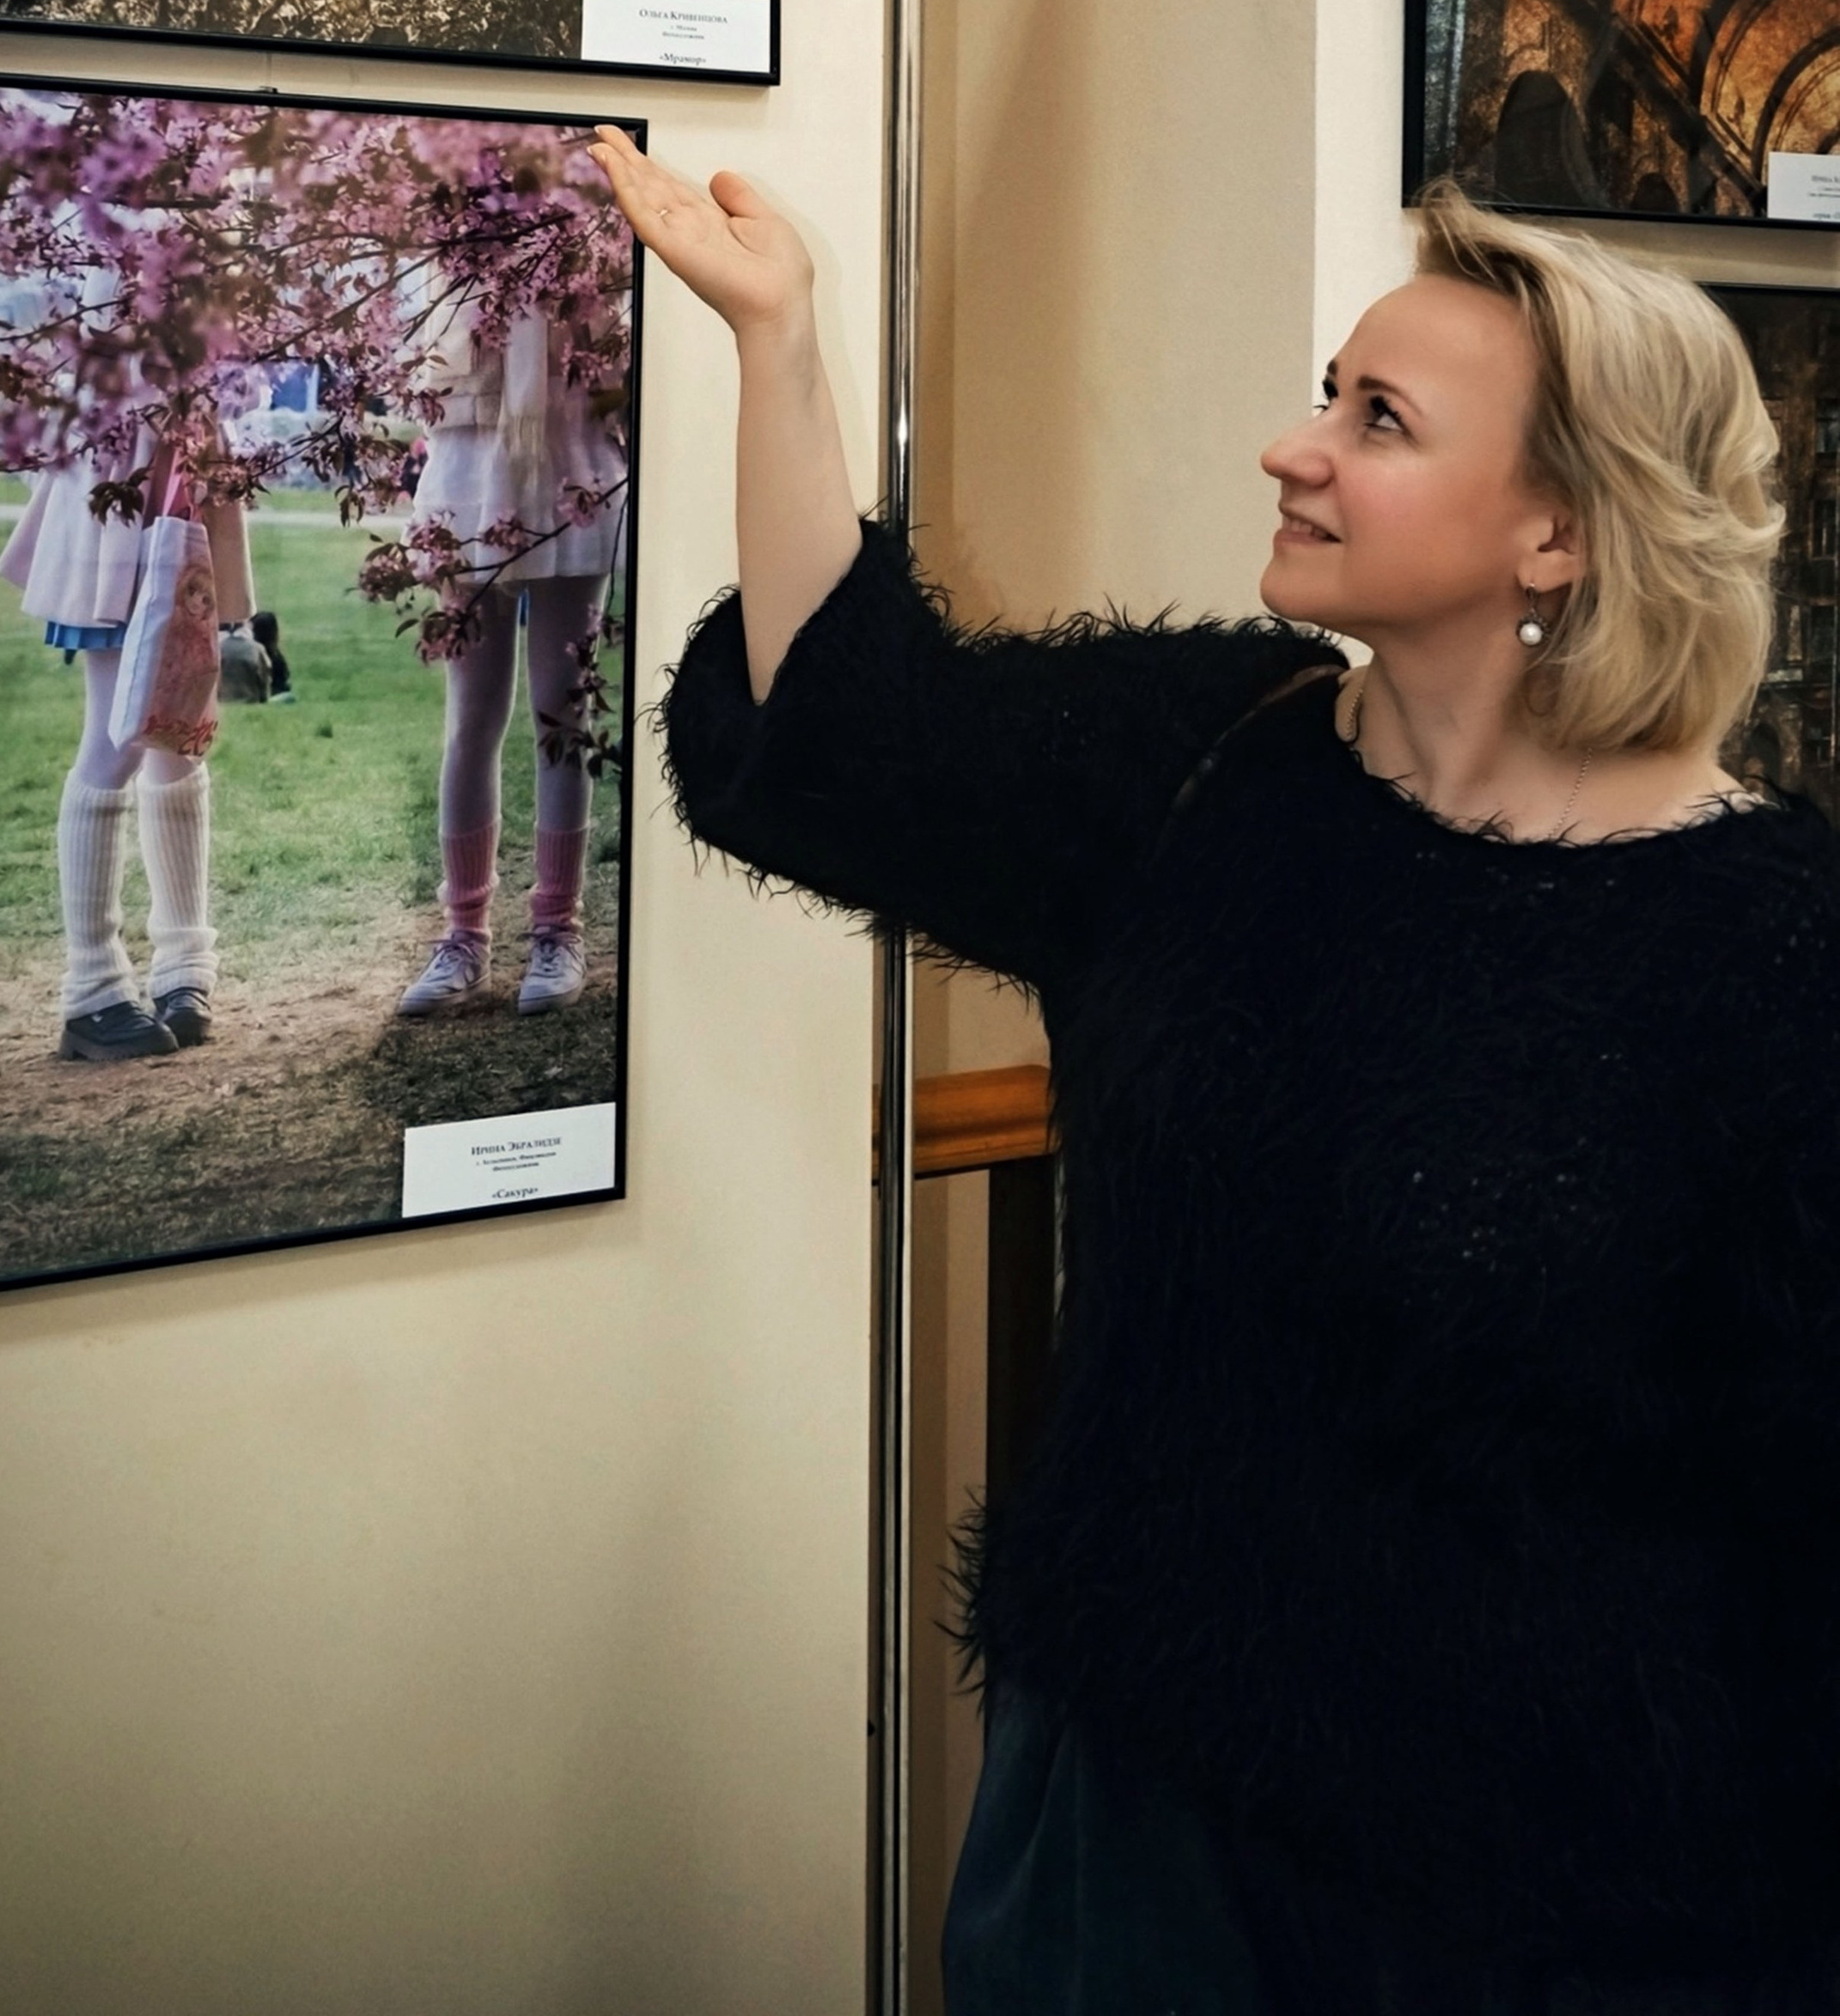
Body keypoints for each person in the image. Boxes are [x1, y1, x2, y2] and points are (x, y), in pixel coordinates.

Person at [593, 119, 1840, 2016]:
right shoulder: (1212, 758)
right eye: (1321, 392)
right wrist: (781, 343)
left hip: (1548, 1898)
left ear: (1560, 529)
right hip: (1125, 1834)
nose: (1296, 444)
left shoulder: (1772, 945)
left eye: (1379, 419)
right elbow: (849, 735)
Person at [393, 292, 625, 1022]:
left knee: (563, 710)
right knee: (472, 718)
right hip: (468, 471)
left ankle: (558, 927)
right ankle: (464, 934)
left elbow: (616, 349)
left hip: (568, 460)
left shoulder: (583, 219)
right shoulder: (459, 217)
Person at [0, 458, 244, 1067]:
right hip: (114, 479)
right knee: (115, 741)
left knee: (178, 733)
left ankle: (184, 965)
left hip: (182, 470)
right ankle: (92, 987)